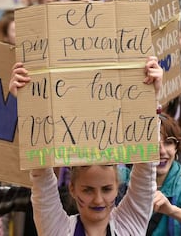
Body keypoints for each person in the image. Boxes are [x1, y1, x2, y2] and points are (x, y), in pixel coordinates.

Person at [9, 56, 162, 236]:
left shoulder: (129, 226)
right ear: (72, 188)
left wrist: (150, 98)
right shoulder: (57, 231)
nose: (98, 200)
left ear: (117, 187)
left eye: (106, 189)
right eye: (87, 190)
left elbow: (146, 167)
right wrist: (27, 102)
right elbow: (41, 174)